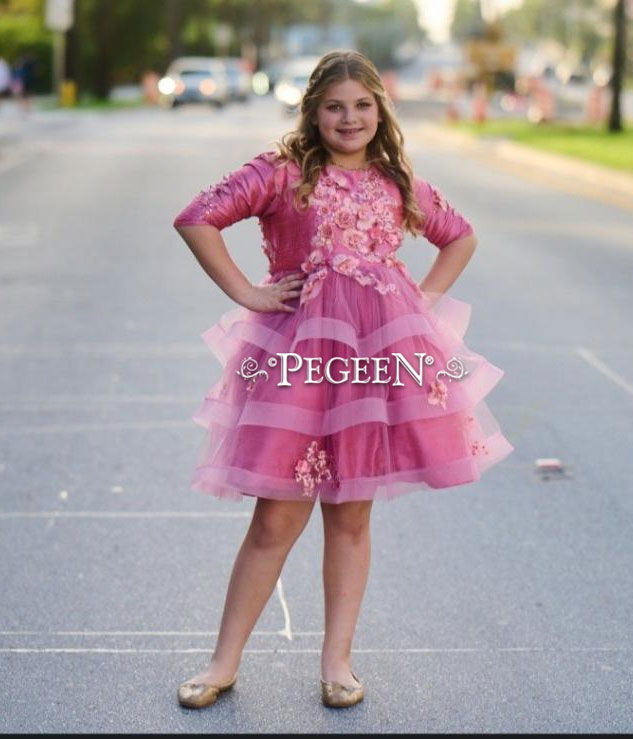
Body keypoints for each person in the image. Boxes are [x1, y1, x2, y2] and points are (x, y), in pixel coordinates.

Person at [172, 49, 514, 710]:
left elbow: (460, 236)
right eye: (335, 106)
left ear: (378, 110)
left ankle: (338, 661)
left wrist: (424, 302)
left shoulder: (397, 180)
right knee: (276, 515)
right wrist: (248, 291)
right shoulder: (281, 174)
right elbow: (196, 217)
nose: (349, 117)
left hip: (376, 369)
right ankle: (222, 660)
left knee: (351, 514)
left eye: (361, 105)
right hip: (300, 363)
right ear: (313, 111)